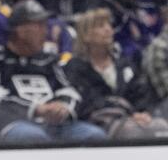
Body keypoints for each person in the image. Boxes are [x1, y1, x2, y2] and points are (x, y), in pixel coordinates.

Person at [0, 0, 106, 143]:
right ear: (21, 31)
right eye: (39, 26)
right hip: (14, 123)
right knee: (33, 137)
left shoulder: (49, 60)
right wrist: (36, 109)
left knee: (94, 135)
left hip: (56, 124)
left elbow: (69, 91)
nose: (46, 31)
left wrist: (63, 107)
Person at [64, 7, 168, 139]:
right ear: (86, 35)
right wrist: (124, 112)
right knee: (132, 132)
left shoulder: (125, 65)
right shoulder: (75, 67)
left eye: (109, 25)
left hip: (131, 118)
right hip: (95, 121)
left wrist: (143, 112)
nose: (108, 29)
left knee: (162, 127)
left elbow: (140, 93)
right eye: (101, 26)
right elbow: (85, 101)